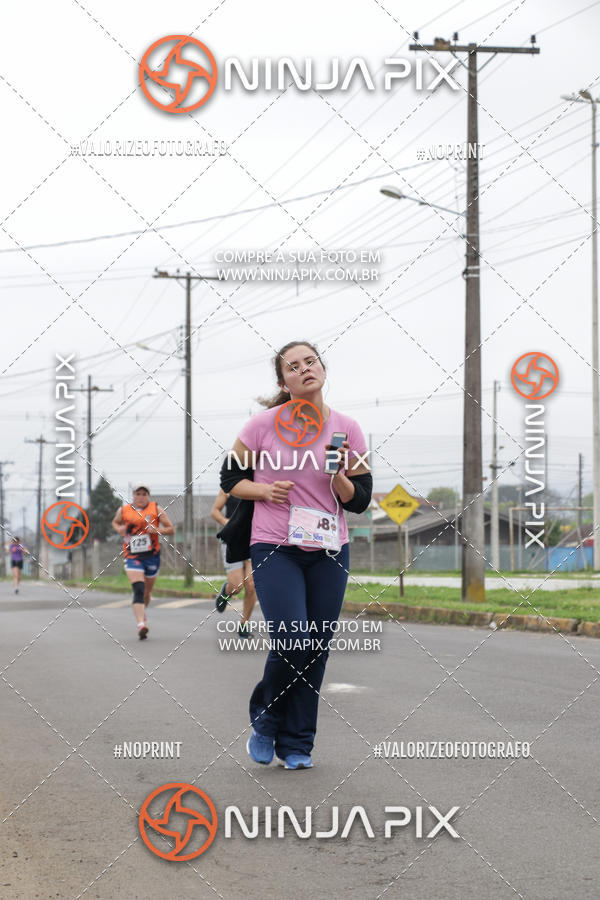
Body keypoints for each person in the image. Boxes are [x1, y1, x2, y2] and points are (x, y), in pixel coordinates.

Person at [222, 340, 372, 770]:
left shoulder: (348, 428)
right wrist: (265, 490)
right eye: (294, 366)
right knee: (292, 637)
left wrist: (340, 474)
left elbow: (359, 500)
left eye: (311, 361)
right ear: (283, 382)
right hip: (275, 545)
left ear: (322, 368)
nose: (305, 369)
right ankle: (267, 719)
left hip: (329, 548)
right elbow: (230, 477)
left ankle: (297, 744)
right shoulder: (261, 426)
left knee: (317, 646)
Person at [112, 484, 175, 640]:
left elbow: (171, 529)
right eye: (138, 494)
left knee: (146, 592)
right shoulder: (124, 510)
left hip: (152, 556)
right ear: (133, 495)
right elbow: (115, 522)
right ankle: (141, 624)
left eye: (144, 494)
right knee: (139, 589)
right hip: (132, 555)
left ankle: (142, 612)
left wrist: (157, 530)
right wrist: (119, 529)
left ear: (148, 496)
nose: (140, 497)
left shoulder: (156, 509)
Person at [210, 488, 257, 636]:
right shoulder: (229, 487)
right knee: (237, 587)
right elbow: (215, 511)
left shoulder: (259, 485)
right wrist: (229, 523)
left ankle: (244, 624)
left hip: (253, 539)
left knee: (251, 584)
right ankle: (226, 591)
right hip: (232, 540)